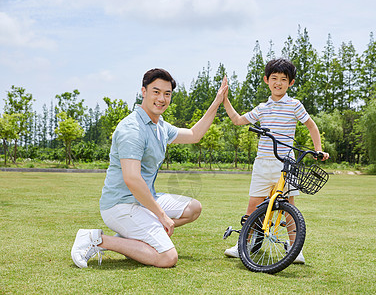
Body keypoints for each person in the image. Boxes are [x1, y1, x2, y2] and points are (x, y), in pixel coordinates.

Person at [71, 68, 228, 268]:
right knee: (167, 257)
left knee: (193, 208)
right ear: (143, 92)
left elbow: (194, 134)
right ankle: (97, 239)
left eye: (167, 93)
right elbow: (132, 179)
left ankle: (132, 239)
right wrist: (161, 216)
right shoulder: (132, 129)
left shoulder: (159, 126)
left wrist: (217, 102)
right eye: (156, 92)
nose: (161, 98)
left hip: (144, 200)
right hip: (121, 205)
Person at [222, 58, 329, 264]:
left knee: (289, 207)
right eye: (274, 78)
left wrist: (318, 150)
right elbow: (237, 120)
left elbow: (312, 126)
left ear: (291, 83)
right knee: (252, 206)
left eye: (283, 79)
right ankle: (241, 245)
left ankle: (295, 250)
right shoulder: (262, 108)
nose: (278, 83)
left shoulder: (294, 105)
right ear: (266, 80)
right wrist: (224, 99)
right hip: (263, 162)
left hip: (285, 164)